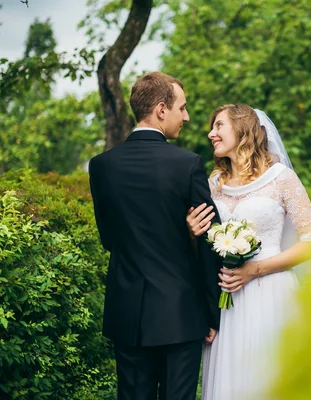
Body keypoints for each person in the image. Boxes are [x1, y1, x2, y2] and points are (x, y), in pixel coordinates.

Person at [88, 72, 222, 400]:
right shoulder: (187, 164)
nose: (187, 117)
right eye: (182, 108)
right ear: (162, 109)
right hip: (180, 314)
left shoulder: (102, 166)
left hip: (127, 314)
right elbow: (211, 242)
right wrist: (212, 312)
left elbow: (109, 240)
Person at [186, 104, 311, 399]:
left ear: (242, 128)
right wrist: (193, 233)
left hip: (270, 294)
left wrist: (255, 269)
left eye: (219, 126)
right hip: (226, 301)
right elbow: (203, 246)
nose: (211, 134)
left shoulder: (281, 178)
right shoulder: (214, 183)